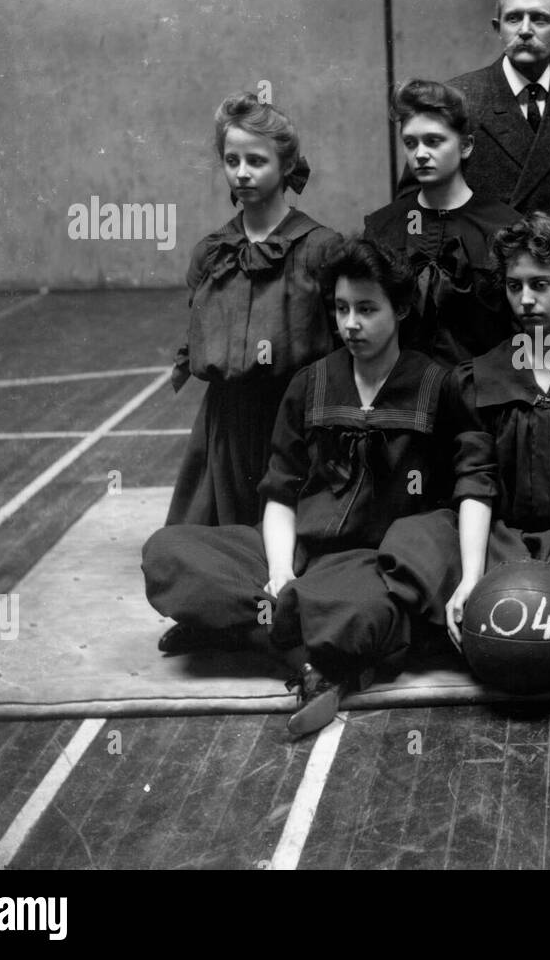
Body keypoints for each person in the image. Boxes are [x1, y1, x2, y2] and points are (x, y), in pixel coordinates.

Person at [144, 239, 456, 737]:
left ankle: (246, 630)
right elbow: (279, 492)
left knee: (365, 610)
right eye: (340, 308)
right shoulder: (310, 383)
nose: (350, 324)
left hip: (369, 564)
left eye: (366, 309)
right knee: (170, 551)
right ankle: (311, 657)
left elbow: (451, 504)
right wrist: (280, 569)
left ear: (399, 309)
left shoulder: (437, 385)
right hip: (301, 552)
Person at [378, 214, 550, 684]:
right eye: (513, 285)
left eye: (540, 284)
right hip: (502, 536)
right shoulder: (480, 375)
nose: (525, 299)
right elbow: (475, 480)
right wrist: (470, 575)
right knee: (411, 545)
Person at [167, 93, 342, 527]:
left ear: (286, 166)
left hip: (300, 422)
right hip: (226, 425)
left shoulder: (322, 249)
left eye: (257, 161)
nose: (242, 172)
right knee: (220, 546)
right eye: (232, 160)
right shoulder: (211, 252)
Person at [396, 0, 550, 216]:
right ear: (497, 28)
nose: (524, 30)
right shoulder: (456, 99)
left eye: (539, 19)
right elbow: (411, 203)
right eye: (513, 18)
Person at [363, 79, 519, 367]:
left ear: (466, 146)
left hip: (482, 396)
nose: (420, 154)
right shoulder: (383, 227)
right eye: (411, 143)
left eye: (434, 141)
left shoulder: (506, 227)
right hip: (402, 397)